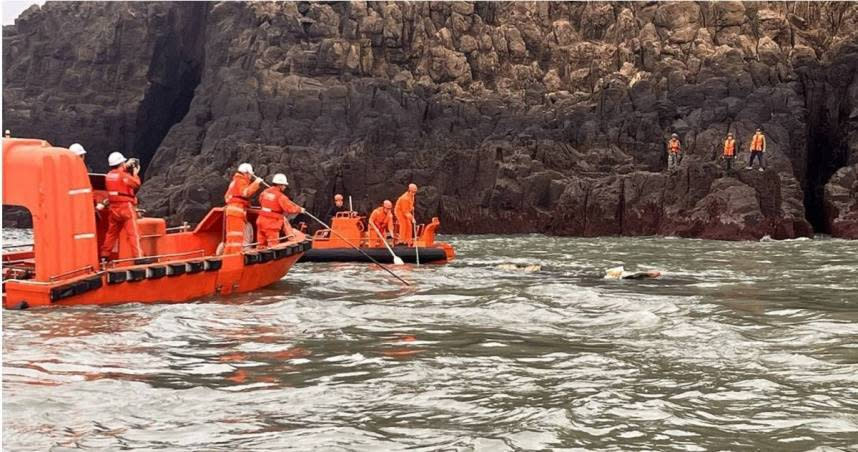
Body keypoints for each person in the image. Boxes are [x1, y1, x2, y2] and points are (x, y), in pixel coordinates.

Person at [100, 152, 142, 261]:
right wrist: (135, 173)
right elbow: (136, 183)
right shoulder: (123, 176)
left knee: (111, 233)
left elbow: (118, 177)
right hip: (125, 208)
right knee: (133, 234)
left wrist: (125, 168)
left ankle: (104, 255)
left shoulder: (108, 176)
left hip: (113, 209)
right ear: (121, 163)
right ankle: (138, 257)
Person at [256, 173, 304, 248]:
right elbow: (289, 208)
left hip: (261, 221)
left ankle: (259, 259)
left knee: (261, 244)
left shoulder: (264, 192)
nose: (285, 187)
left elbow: (260, 201)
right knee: (273, 246)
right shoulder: (281, 197)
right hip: (272, 223)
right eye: (284, 185)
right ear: (280, 185)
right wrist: (300, 209)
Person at [223, 163, 262, 254]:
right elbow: (245, 193)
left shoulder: (234, 182)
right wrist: (256, 183)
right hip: (236, 211)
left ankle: (227, 255)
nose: (250, 177)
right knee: (237, 237)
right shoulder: (241, 181)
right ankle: (236, 256)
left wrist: (246, 204)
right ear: (246, 173)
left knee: (231, 237)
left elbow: (227, 197)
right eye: (250, 175)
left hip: (231, 210)